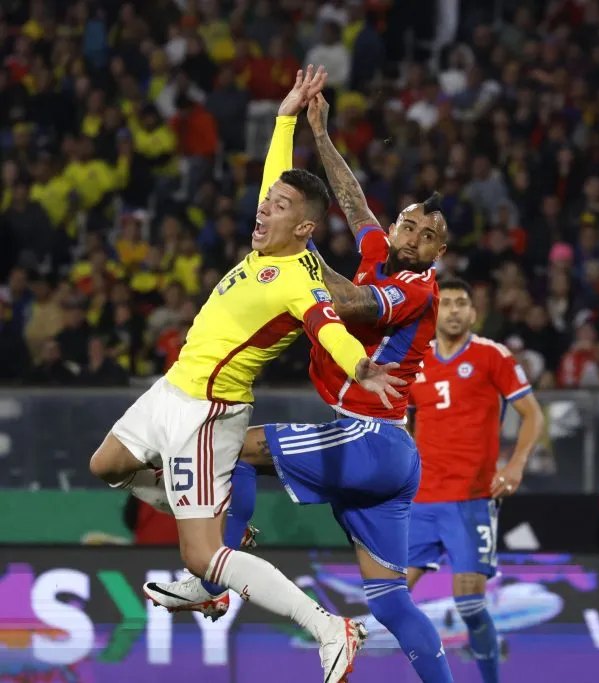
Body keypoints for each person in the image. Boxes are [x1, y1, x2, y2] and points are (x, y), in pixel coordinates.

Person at [89, 66, 403, 683]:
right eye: (268, 202)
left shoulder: (298, 278)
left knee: (202, 555)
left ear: (304, 227)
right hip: (173, 389)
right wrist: (286, 115)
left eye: (280, 207)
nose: (265, 209)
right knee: (108, 466)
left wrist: (362, 366)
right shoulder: (268, 246)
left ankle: (328, 628)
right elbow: (273, 178)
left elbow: (328, 327)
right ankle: (214, 523)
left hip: (209, 413)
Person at [145, 90, 456, 683]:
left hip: (371, 441)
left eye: (427, 234)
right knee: (390, 601)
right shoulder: (378, 250)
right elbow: (352, 200)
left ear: (439, 252)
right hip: (392, 457)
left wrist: (300, 259)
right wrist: (321, 132)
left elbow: (355, 304)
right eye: (407, 223)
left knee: (232, 446)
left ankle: (211, 580)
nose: (412, 236)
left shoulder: (417, 288)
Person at [406, 277, 544, 683]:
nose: (452, 310)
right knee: (388, 599)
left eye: (461, 303)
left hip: (471, 498)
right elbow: (404, 423)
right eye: (445, 303)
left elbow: (533, 414)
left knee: (469, 604)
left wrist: (515, 465)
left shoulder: (492, 356)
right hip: (421, 499)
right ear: (434, 311)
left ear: (472, 312)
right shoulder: (415, 359)